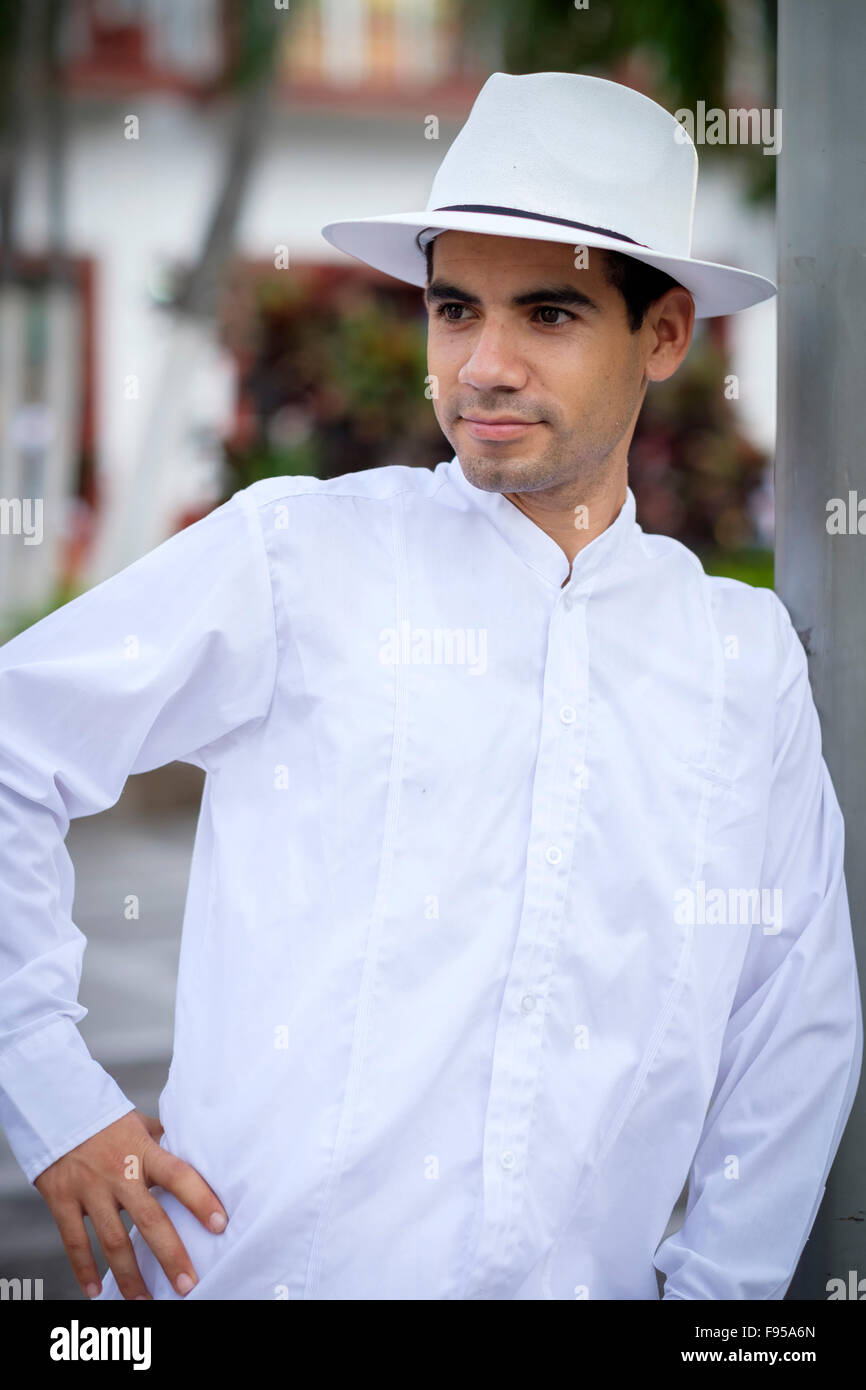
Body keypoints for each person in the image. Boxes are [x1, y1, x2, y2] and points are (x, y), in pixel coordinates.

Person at [0, 71, 861, 1302]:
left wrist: (716, 1305)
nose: (483, 364)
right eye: (455, 309)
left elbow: (792, 1018)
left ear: (663, 335)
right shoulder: (298, 558)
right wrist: (54, 1091)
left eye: (549, 315)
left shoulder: (737, 657)